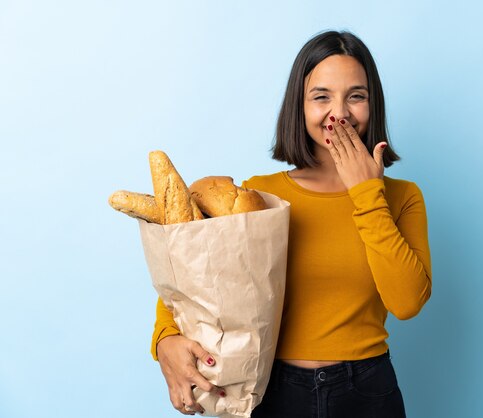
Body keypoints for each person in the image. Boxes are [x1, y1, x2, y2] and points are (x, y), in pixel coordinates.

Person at [151, 30, 432, 417]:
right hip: (270, 389)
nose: (340, 112)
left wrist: (368, 194)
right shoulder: (259, 196)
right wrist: (164, 339)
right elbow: (193, 278)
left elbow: (407, 302)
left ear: (373, 104)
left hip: (366, 391)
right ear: (298, 106)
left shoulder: (402, 197)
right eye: (321, 96)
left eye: (356, 95)